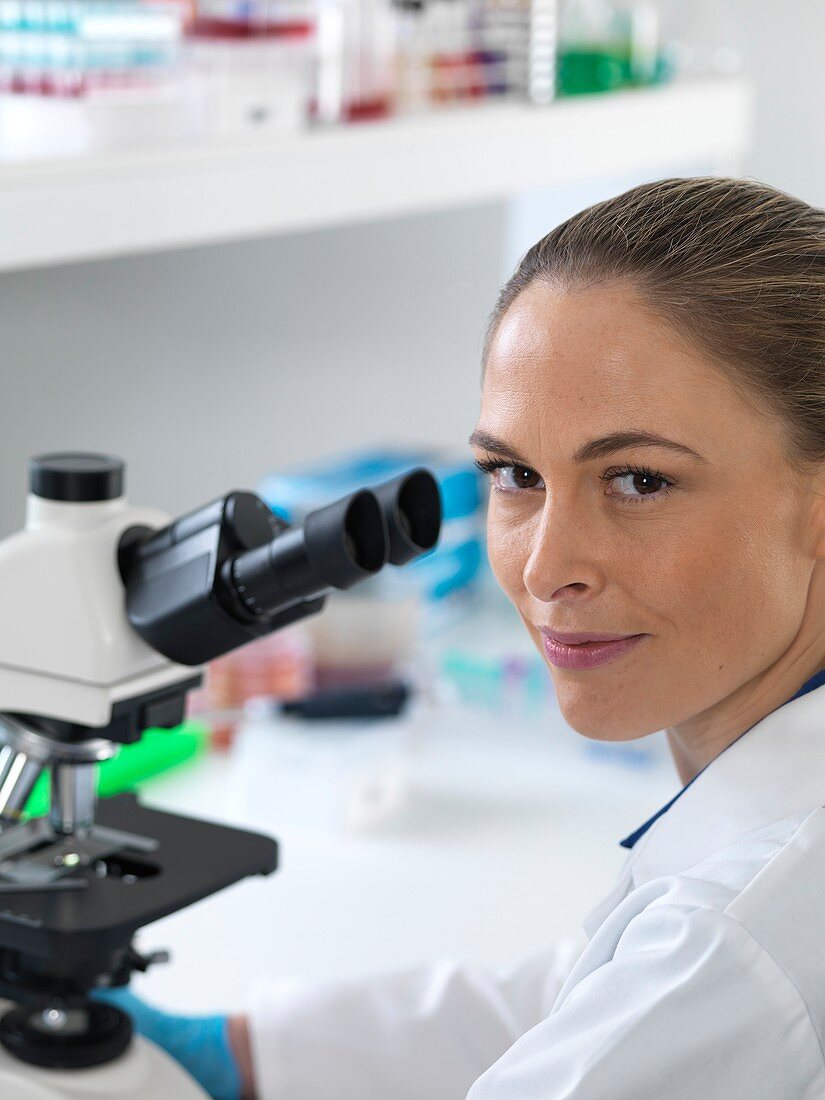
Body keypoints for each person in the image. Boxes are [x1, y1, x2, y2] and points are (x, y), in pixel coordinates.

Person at [107, 175, 825, 1098]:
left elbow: (676, 988)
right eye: (514, 473)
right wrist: (251, 1053)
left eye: (638, 480)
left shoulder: (739, 943)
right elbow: (579, 1003)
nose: (543, 567)